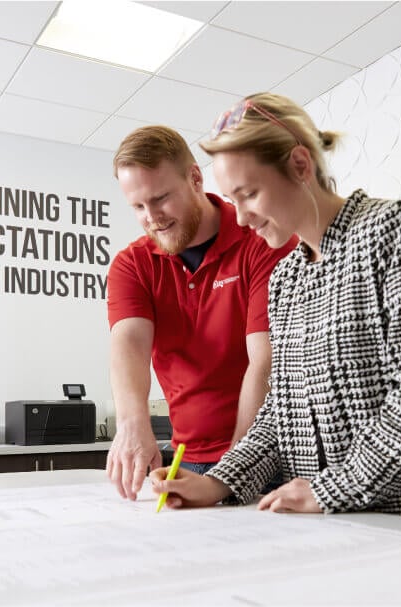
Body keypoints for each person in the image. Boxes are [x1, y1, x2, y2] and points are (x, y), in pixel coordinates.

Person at [149, 93, 401, 525]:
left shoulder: (395, 228)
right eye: (233, 200)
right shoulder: (286, 279)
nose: (243, 218)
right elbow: (280, 411)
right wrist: (219, 481)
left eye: (249, 194)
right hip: (329, 530)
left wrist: (331, 489)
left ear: (301, 166)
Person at [107, 125, 297, 500]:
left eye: (161, 198)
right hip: (188, 460)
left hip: (269, 457)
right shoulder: (132, 265)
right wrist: (132, 420)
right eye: (138, 207)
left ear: (195, 177)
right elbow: (128, 342)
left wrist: (238, 467)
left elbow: (267, 360)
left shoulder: (261, 239)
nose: (152, 217)